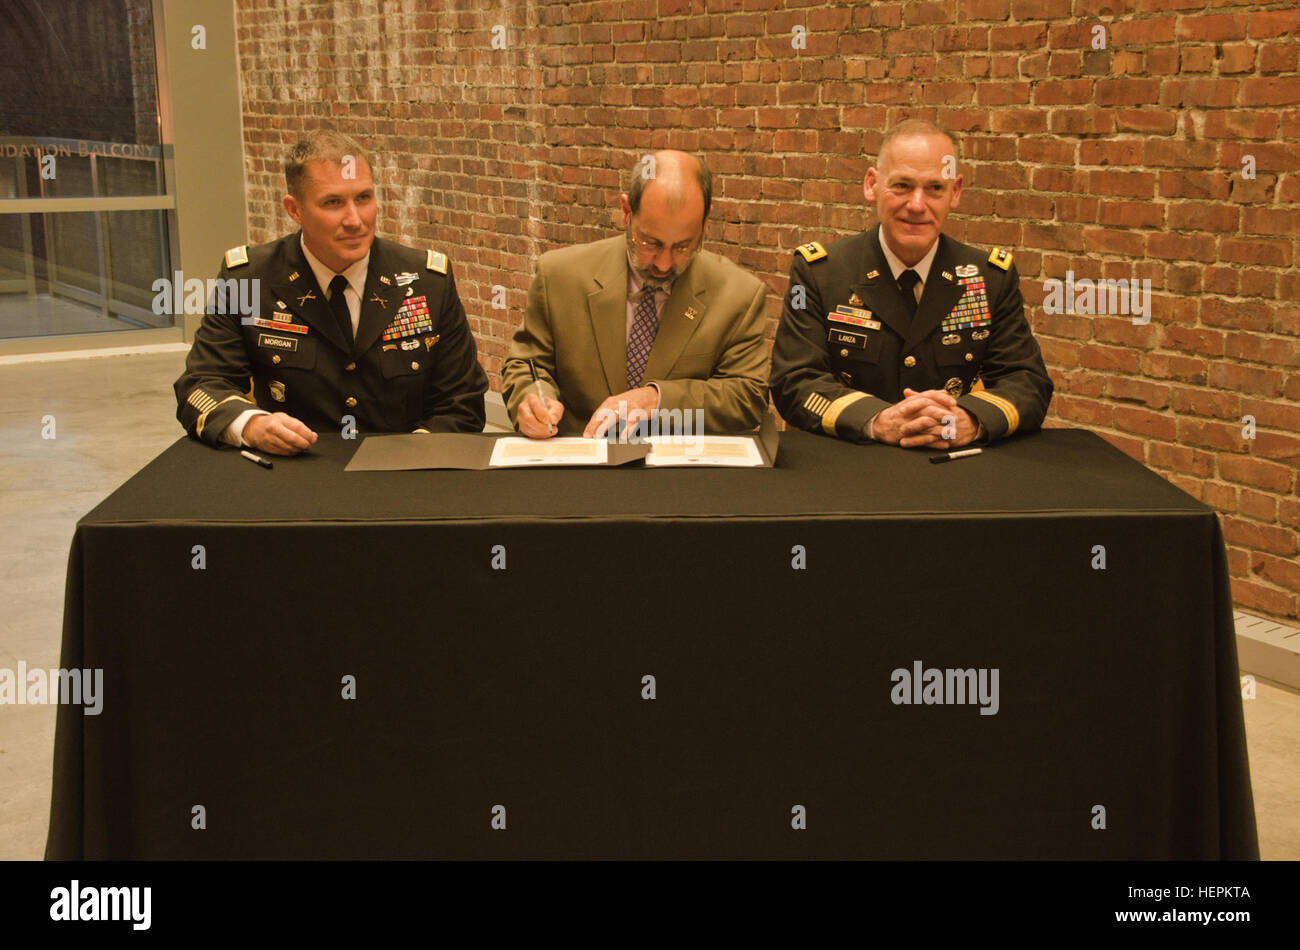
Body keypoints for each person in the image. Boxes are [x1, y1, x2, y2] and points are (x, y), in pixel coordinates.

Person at [174, 129, 487, 454]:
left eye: (363, 198)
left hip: (402, 474)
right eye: (333, 202)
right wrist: (252, 425)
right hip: (293, 472)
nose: (355, 220)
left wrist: (413, 452)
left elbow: (462, 400)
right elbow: (202, 384)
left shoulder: (426, 280)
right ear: (295, 210)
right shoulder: (249, 280)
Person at [769, 120, 1053, 448]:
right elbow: (794, 381)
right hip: (851, 465)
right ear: (872, 184)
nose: (917, 205)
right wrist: (877, 420)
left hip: (949, 466)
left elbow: (1028, 382)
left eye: (935, 188)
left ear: (955, 192)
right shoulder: (819, 274)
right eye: (902, 185)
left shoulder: (990, 278)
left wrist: (968, 420)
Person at [502, 150, 769, 439]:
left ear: (705, 225)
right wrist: (532, 400)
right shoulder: (559, 276)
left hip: (680, 470)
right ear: (627, 211)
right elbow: (527, 365)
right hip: (579, 464)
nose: (664, 263)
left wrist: (657, 399)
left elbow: (747, 396)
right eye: (650, 243)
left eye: (682, 246)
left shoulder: (739, 295)